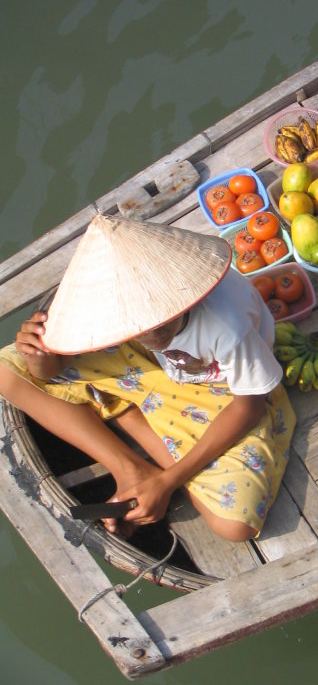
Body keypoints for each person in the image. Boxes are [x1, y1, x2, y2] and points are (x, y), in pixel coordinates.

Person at [0, 213, 296, 542]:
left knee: (234, 526)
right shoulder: (108, 313)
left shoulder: (227, 327)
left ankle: (127, 418)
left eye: (160, 324)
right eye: (140, 327)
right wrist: (38, 353)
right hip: (150, 368)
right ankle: (129, 467)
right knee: (7, 371)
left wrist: (167, 482)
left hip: (223, 393)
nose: (153, 335)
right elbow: (46, 372)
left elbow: (248, 409)